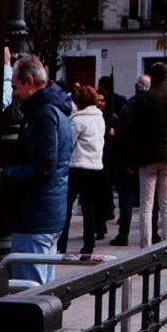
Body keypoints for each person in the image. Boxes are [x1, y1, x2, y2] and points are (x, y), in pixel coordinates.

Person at [2, 54, 73, 285]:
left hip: (35, 215)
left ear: (29, 82)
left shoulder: (43, 114)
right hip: (48, 211)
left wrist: (6, 174)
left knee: (28, 290)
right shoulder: (55, 110)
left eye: (15, 86)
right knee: (42, 287)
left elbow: (43, 166)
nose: (14, 93)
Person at [128, 62, 167, 249]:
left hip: (147, 157)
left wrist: (133, 159)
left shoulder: (143, 99)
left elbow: (135, 131)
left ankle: (145, 247)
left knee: (146, 206)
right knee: (166, 204)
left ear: (152, 77)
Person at [58, 83, 105, 254]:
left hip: (77, 166)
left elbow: (68, 143)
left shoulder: (77, 120)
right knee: (88, 207)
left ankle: (62, 243)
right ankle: (89, 244)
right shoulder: (100, 118)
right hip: (95, 166)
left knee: (67, 205)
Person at [108, 74, 150, 245]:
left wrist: (128, 161)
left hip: (129, 161)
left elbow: (123, 136)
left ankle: (123, 234)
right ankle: (152, 233)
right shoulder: (152, 105)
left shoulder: (129, 107)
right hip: (149, 158)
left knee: (126, 198)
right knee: (150, 199)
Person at [95, 75, 127, 239]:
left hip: (112, 152)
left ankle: (107, 215)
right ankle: (101, 222)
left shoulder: (118, 103)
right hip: (101, 154)